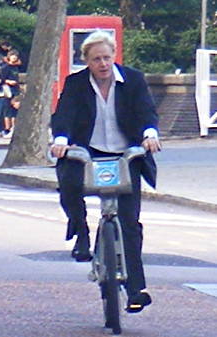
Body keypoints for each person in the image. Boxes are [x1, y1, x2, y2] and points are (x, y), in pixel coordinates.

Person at [50, 31, 161, 313]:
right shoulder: (76, 84)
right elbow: (64, 114)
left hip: (125, 153)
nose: (102, 64)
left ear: (114, 57)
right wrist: (61, 139)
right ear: (86, 60)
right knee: (69, 183)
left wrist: (149, 134)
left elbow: (146, 112)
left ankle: (136, 288)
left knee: (130, 222)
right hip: (89, 151)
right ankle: (81, 233)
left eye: (107, 58)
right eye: (96, 59)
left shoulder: (133, 80)